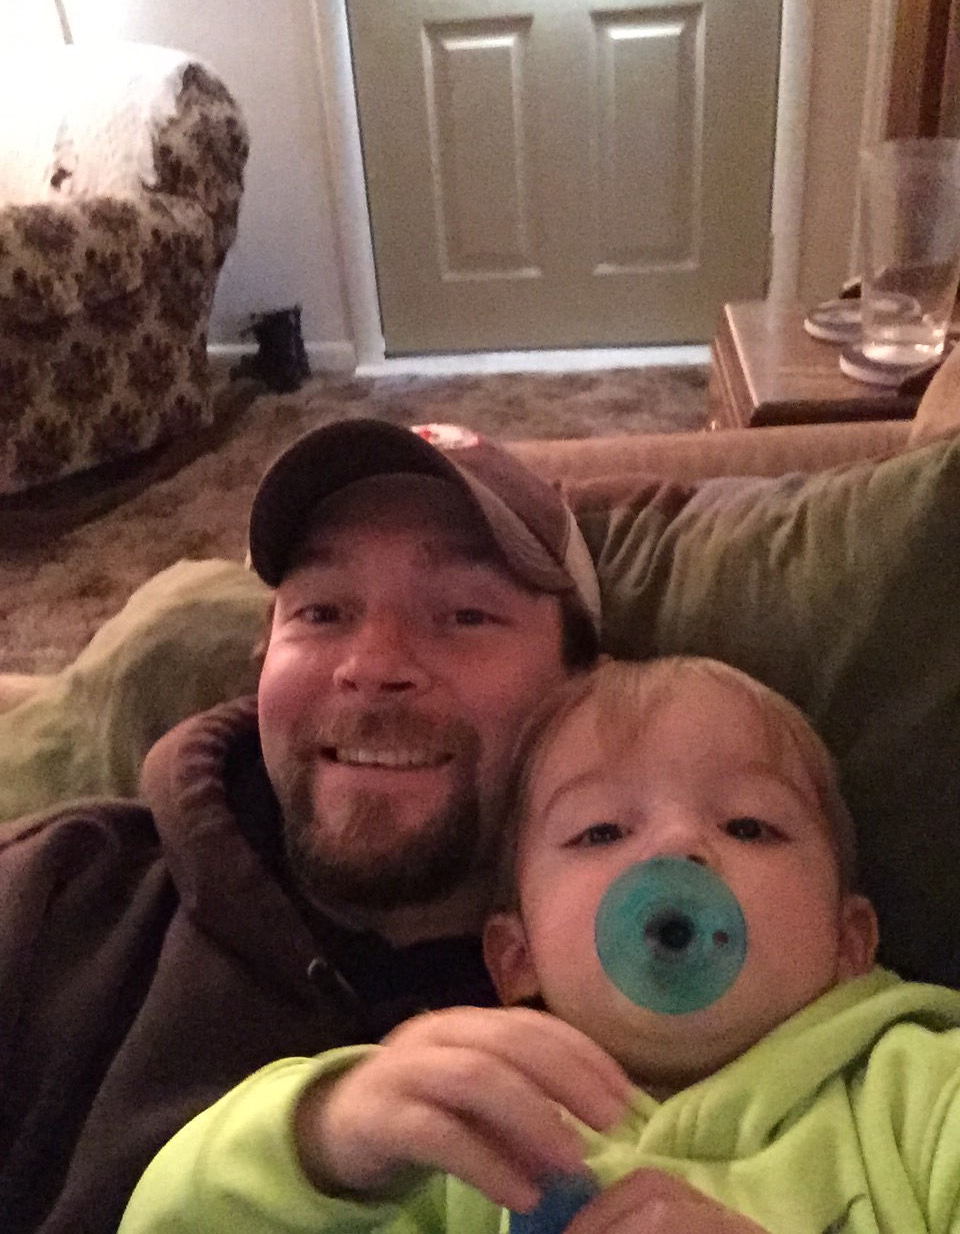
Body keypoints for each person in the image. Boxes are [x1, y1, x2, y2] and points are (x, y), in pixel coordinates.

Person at [0, 419, 603, 1234]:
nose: (373, 665)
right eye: (322, 611)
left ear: (582, 682)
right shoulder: (57, 894)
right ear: (264, 655)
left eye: (465, 615)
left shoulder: (678, 976)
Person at [119, 657, 960, 1234]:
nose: (677, 847)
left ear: (849, 939)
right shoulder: (463, 1126)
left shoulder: (921, 1091)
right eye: (601, 832)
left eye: (749, 825)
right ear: (515, 957)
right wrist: (322, 1139)